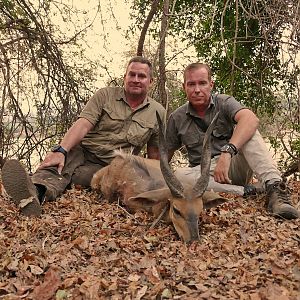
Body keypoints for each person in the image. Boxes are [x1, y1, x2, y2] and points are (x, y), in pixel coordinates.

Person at [2, 56, 166, 217]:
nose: (136, 79)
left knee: (78, 177)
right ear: (125, 77)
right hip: (83, 150)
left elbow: (154, 154)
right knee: (56, 165)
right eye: (132, 74)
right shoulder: (105, 96)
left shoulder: (158, 112)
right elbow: (83, 124)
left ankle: (41, 189)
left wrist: (157, 182)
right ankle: (35, 192)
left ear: (150, 82)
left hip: (110, 165)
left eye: (142, 76)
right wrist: (61, 150)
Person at [166, 62, 299, 220]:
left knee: (249, 132)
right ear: (184, 87)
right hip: (205, 177)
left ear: (211, 84)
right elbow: (163, 159)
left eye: (202, 83)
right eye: (191, 84)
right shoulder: (176, 118)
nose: (197, 90)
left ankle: (276, 189)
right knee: (179, 175)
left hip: (232, 166)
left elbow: (250, 119)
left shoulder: (223, 102)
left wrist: (227, 152)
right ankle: (247, 191)